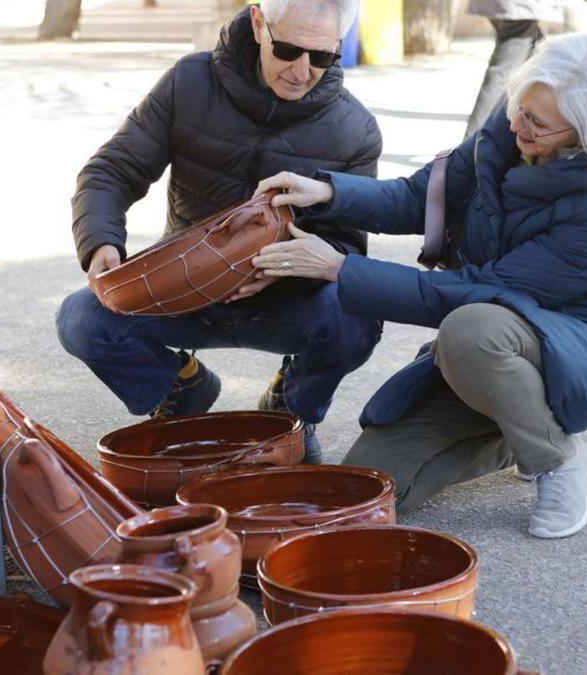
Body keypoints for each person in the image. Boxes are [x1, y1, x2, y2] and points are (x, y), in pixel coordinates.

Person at [251, 34, 587, 537]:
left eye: (537, 123)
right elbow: (421, 198)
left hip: (582, 352)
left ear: (586, 134)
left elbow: (479, 290)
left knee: (471, 330)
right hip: (491, 351)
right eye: (519, 107)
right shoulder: (507, 134)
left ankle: (559, 459)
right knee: (367, 489)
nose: (517, 126)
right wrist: (327, 193)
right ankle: (520, 427)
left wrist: (341, 268)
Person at [56, 0, 383, 463]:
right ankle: (182, 390)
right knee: (82, 318)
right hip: (185, 283)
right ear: (257, 22)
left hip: (285, 298)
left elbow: (345, 247)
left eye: (322, 56)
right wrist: (100, 244)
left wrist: (285, 268)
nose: (301, 70)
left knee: (358, 318)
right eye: (288, 49)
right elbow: (112, 170)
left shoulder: (356, 130)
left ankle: (290, 407)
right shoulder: (188, 83)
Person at [463, 0, 564, 140]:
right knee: (502, 74)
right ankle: (470, 145)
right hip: (518, 8)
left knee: (540, 58)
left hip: (511, 7)